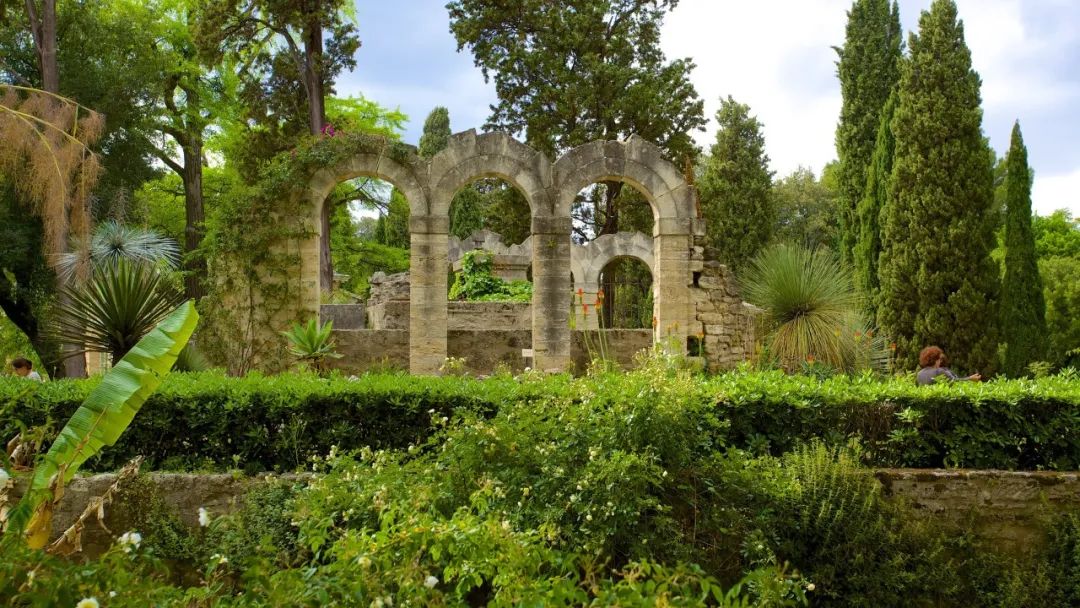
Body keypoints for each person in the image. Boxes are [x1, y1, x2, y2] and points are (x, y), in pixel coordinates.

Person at [916, 346, 980, 386]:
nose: (940, 361)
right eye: (939, 359)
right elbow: (954, 381)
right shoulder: (939, 371)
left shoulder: (919, 373)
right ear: (936, 360)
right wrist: (970, 379)